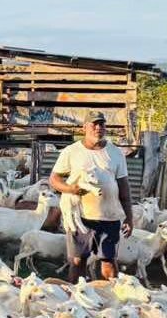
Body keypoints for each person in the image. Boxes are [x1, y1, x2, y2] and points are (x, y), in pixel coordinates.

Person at [49, 112, 133, 282]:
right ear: (84, 127)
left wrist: (129, 217)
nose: (98, 128)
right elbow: (54, 179)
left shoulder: (116, 152)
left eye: (102, 124)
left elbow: (124, 187)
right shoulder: (71, 151)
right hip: (80, 217)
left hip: (109, 217)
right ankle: (75, 299)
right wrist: (70, 189)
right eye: (94, 124)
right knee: (78, 260)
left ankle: (109, 300)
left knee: (109, 261)